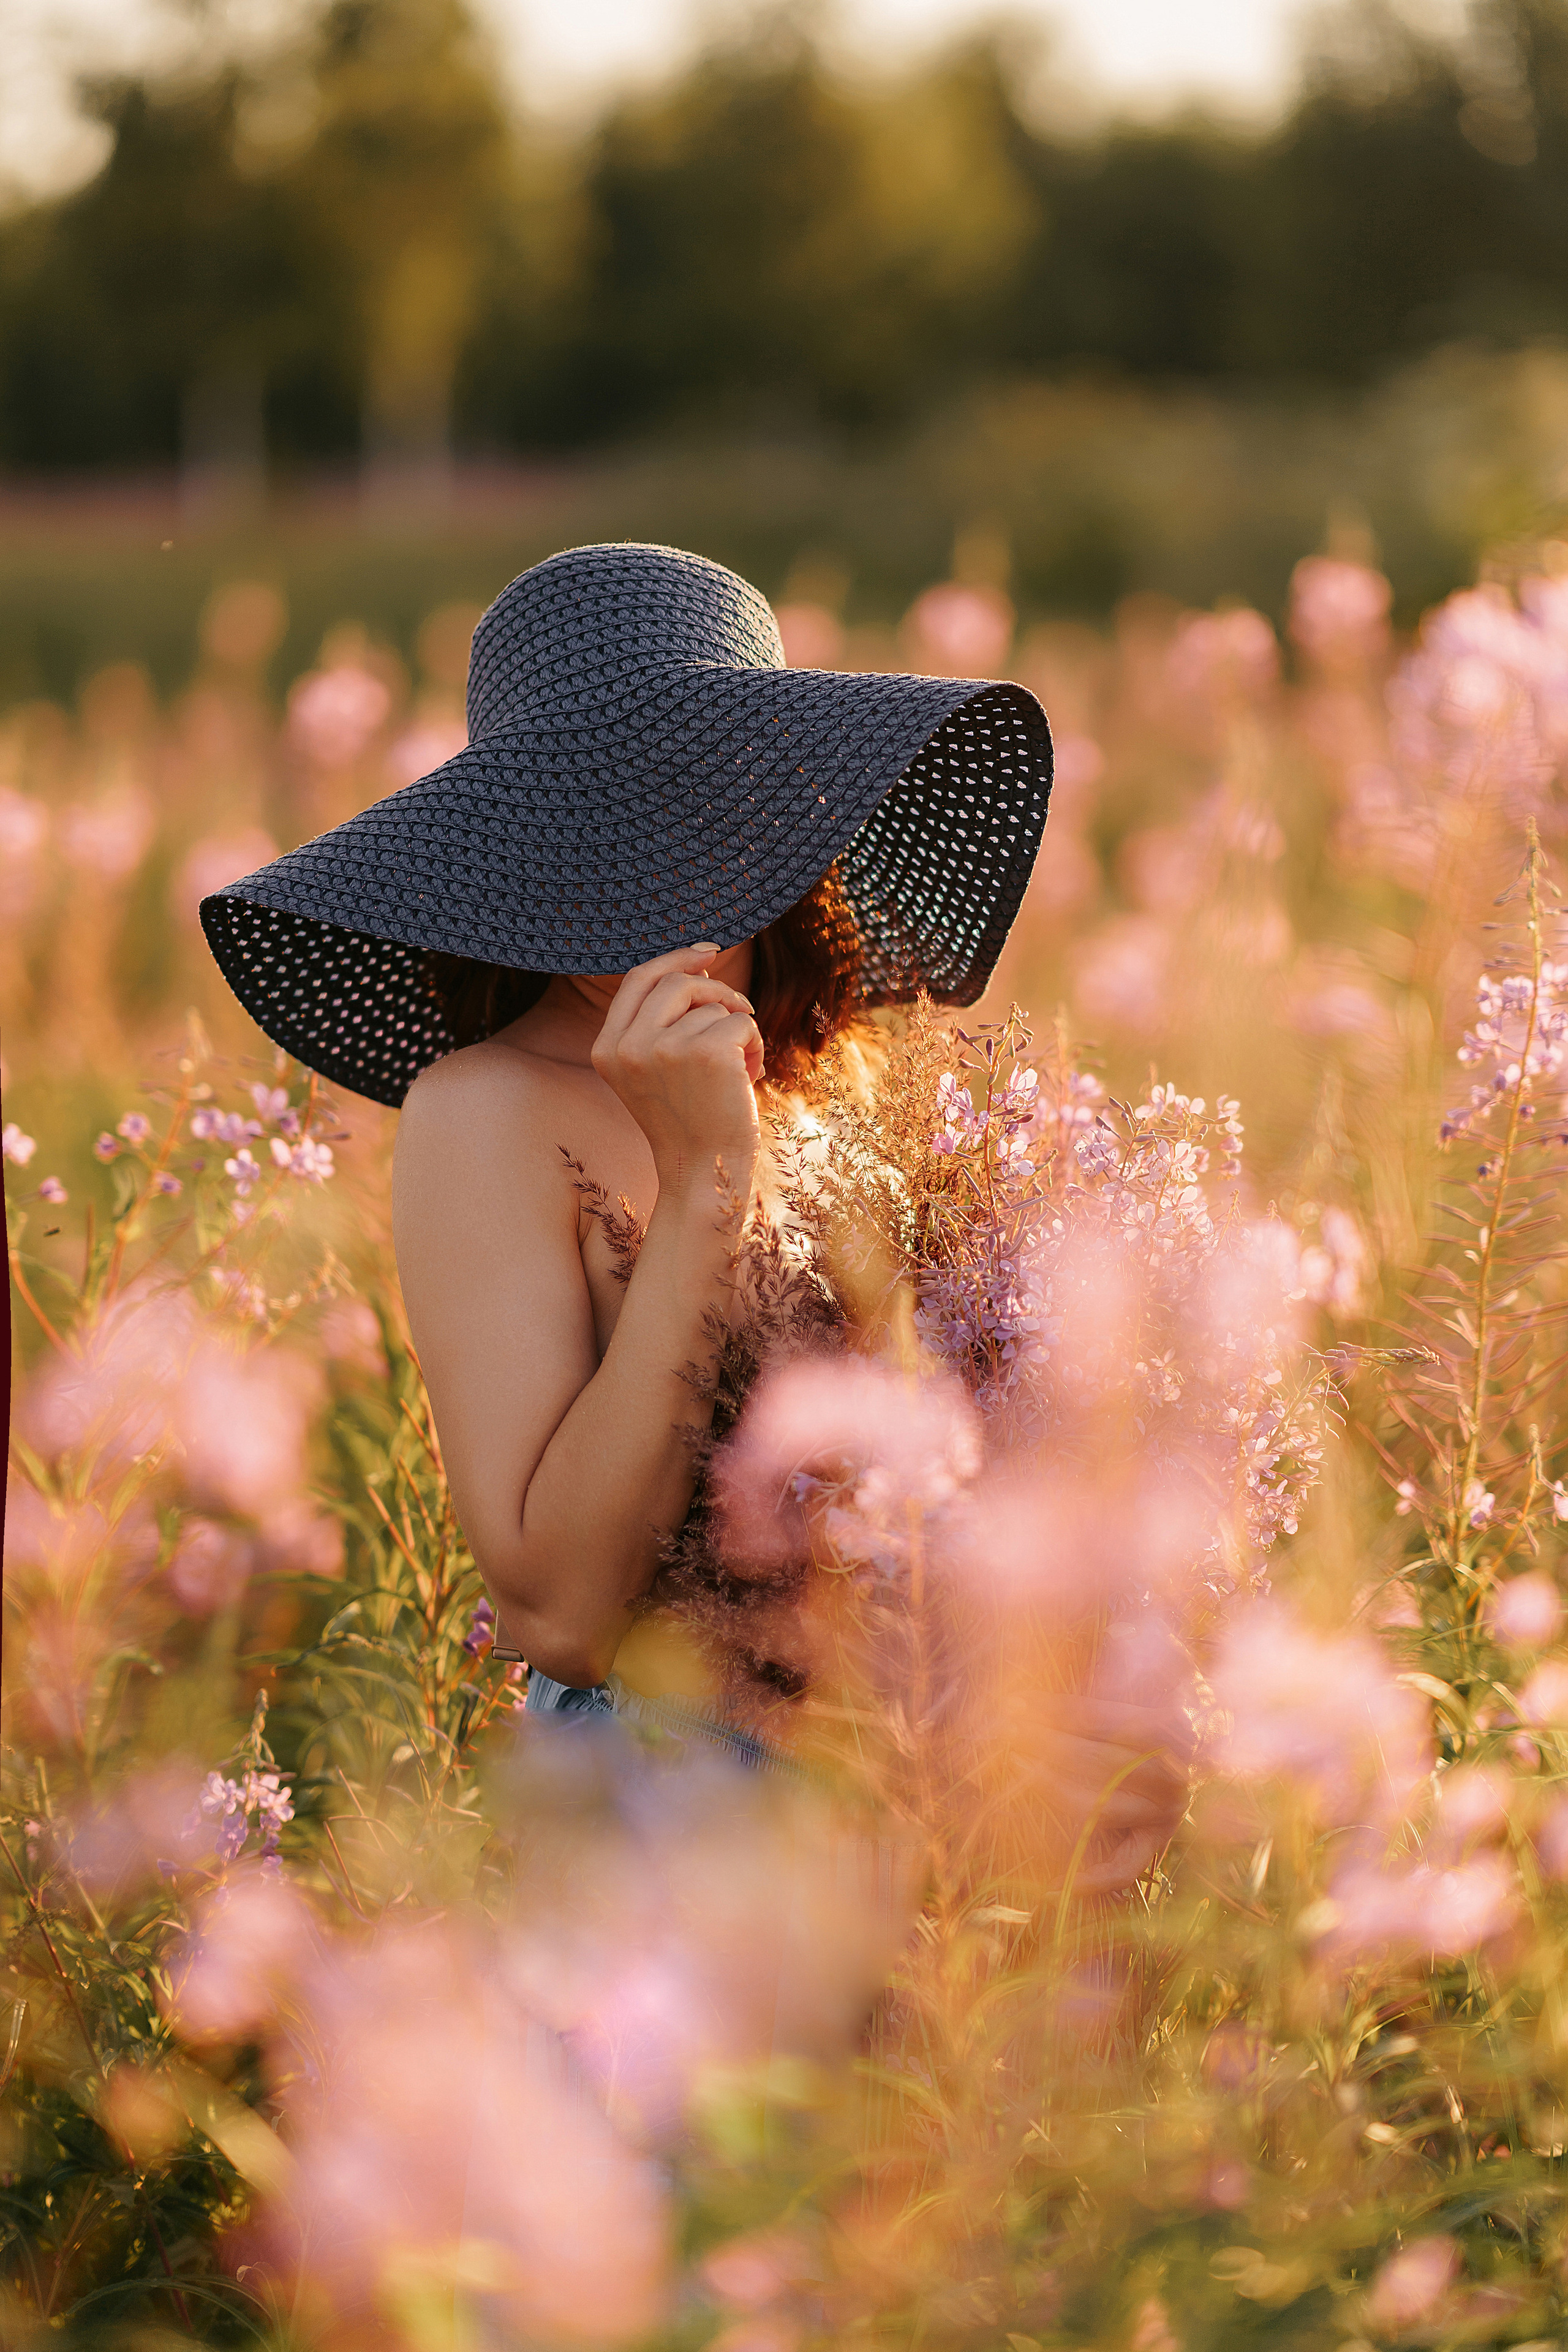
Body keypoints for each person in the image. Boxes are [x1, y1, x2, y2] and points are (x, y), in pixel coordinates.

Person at [202, 540, 1186, 1888]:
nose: (645, 864)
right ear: (511, 853)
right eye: (587, 818)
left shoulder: (838, 1087)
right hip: (679, 1828)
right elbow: (556, 1609)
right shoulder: (488, 1110)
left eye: (694, 799)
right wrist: (706, 1187)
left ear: (775, 811)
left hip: (928, 1817)